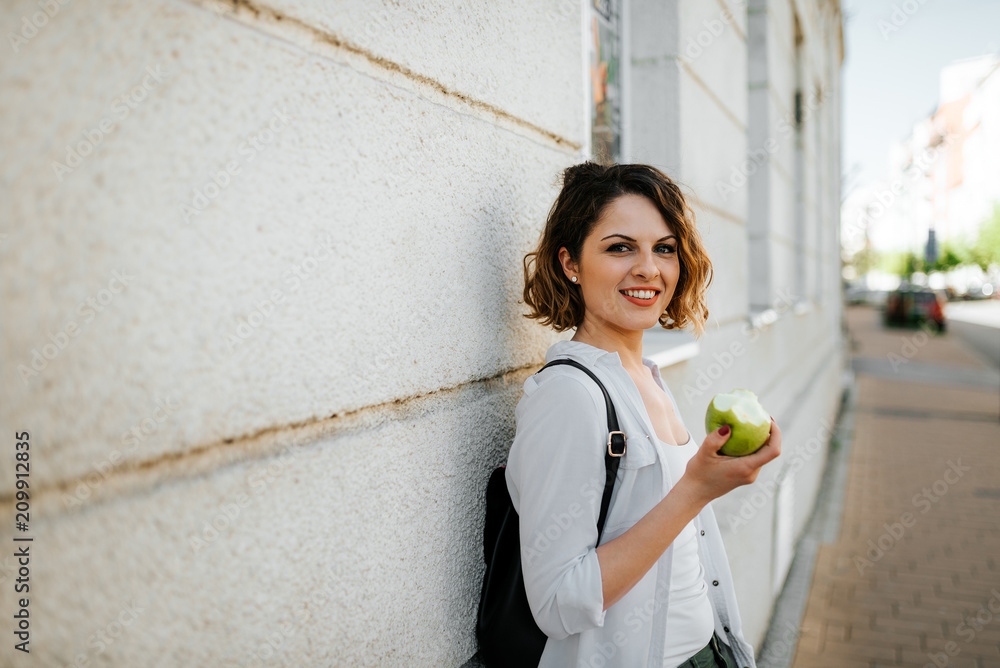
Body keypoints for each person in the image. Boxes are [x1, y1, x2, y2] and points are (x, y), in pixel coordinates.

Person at [505, 162, 782, 668]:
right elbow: (557, 603)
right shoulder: (571, 397)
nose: (648, 269)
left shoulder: (645, 376)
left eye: (664, 249)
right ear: (571, 263)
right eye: (619, 247)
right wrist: (695, 489)